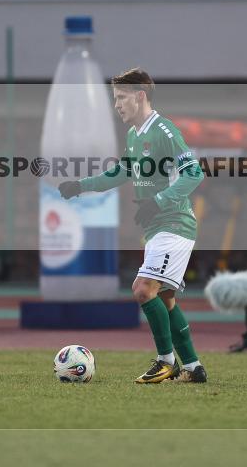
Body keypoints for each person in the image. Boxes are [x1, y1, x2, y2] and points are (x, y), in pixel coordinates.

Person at [58, 68, 207, 384]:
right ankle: (193, 368)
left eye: (121, 98)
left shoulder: (164, 132)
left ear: (140, 96)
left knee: (142, 289)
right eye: (115, 99)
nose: (117, 105)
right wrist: (80, 185)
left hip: (174, 224)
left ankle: (166, 362)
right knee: (164, 298)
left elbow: (194, 173)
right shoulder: (134, 135)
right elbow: (121, 172)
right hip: (157, 227)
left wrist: (160, 200)